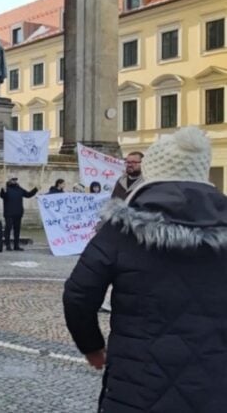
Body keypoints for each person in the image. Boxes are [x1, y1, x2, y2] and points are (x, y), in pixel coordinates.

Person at [63, 126, 227, 412]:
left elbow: (78, 295)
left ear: (152, 171)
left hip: (136, 383)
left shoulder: (121, 229)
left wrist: (91, 347)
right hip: (215, 383)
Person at [0, 177, 38, 251]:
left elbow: (28, 194)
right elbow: (2, 196)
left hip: (18, 212)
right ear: (9, 181)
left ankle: (16, 245)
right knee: (8, 228)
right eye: (13, 180)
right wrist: (3, 191)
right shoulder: (6, 188)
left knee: (17, 230)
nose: (14, 181)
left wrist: (36, 189)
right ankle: (8, 245)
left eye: (15, 180)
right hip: (9, 213)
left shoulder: (19, 189)